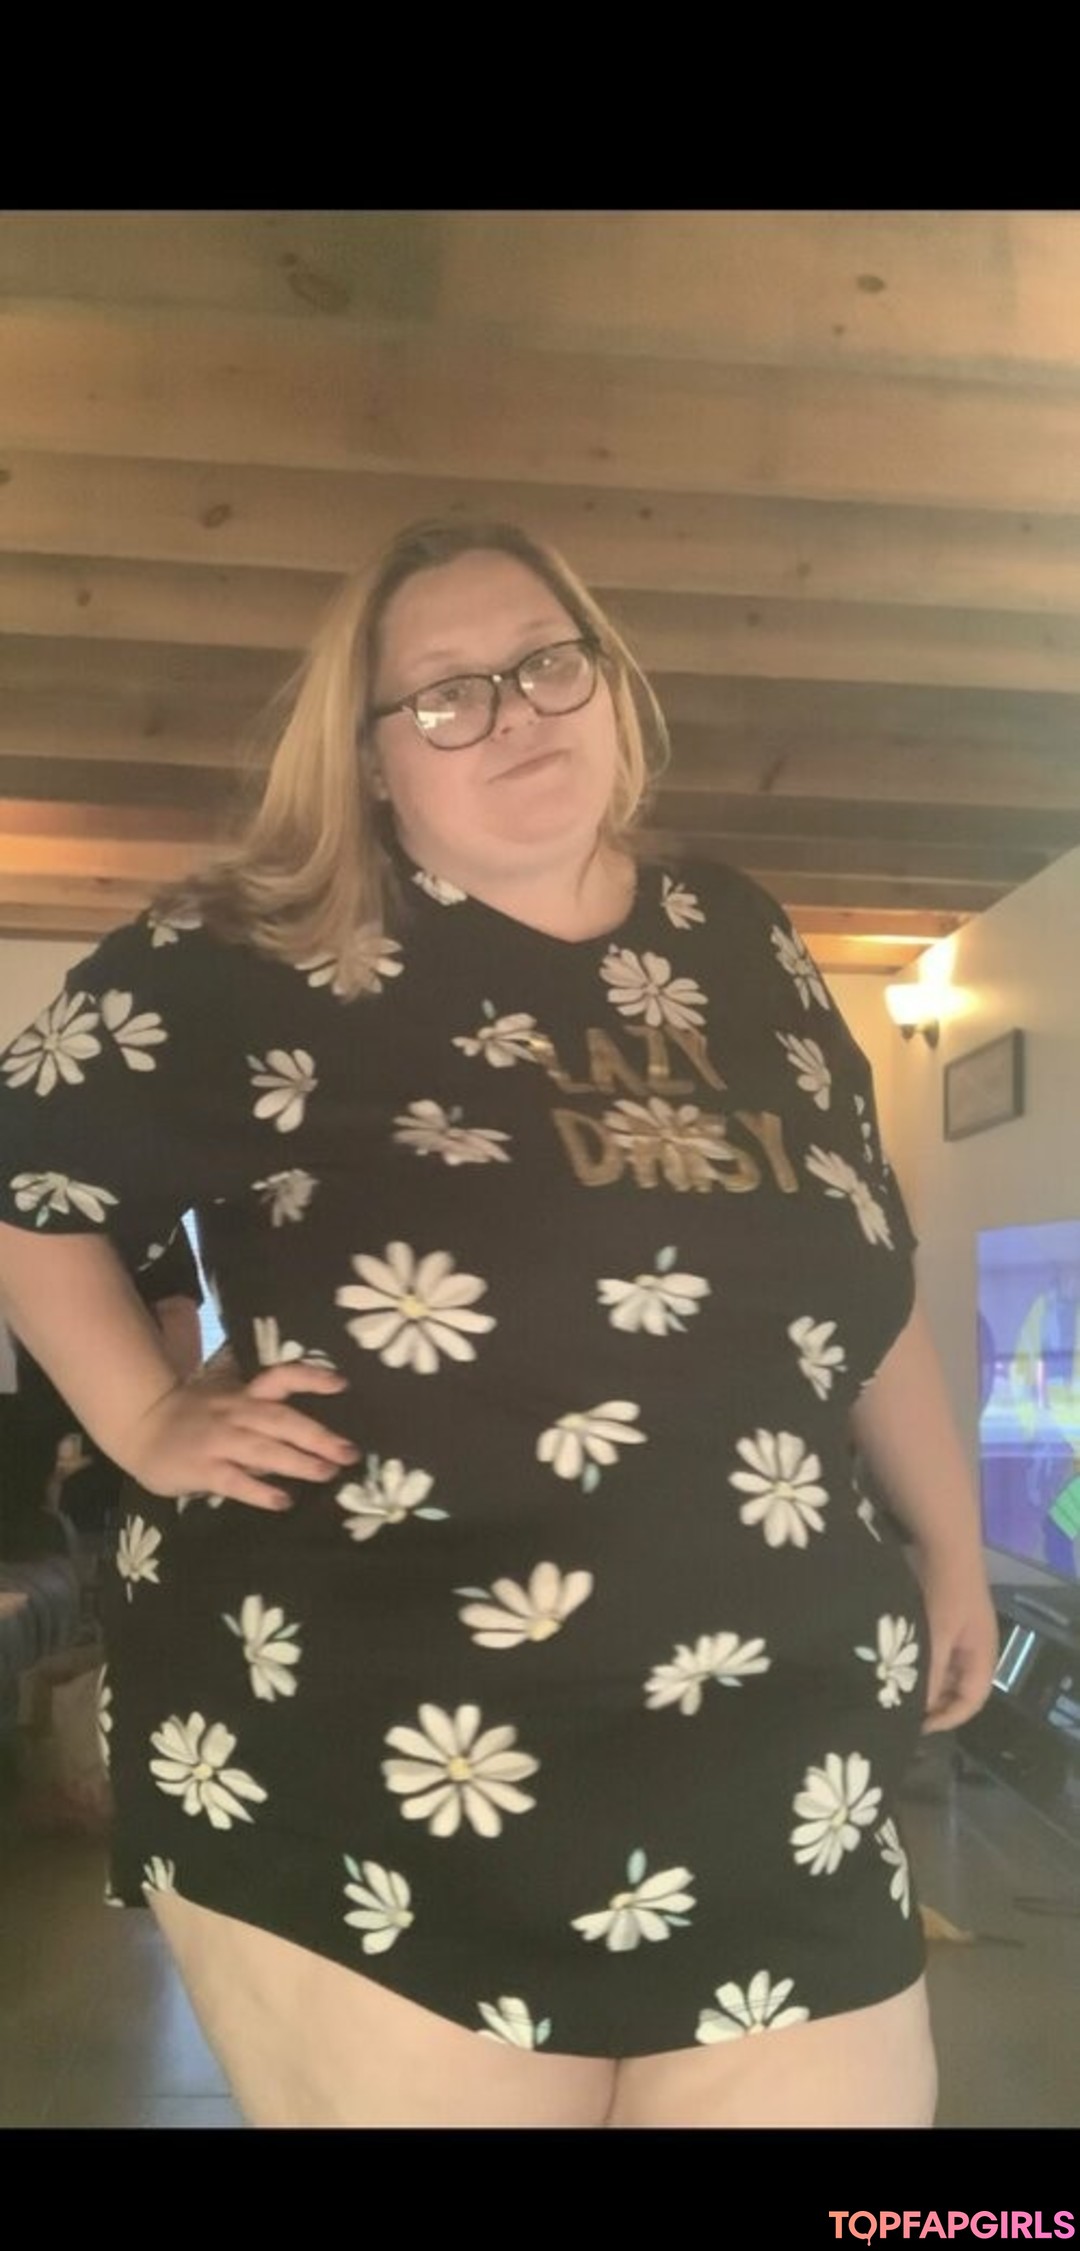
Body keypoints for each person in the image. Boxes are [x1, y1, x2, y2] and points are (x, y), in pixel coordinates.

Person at [0, 518, 999, 2129]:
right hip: (384, 1760)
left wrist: (951, 1543)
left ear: (609, 681)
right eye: (446, 694)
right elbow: (23, 1177)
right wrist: (142, 1416)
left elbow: (860, 1277)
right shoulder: (260, 952)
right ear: (373, 759)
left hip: (778, 1764)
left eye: (547, 663)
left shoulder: (740, 941)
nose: (515, 712)